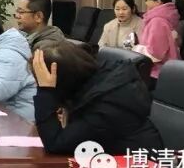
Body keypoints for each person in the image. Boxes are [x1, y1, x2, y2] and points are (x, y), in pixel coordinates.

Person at [31, 41, 163, 155]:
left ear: (61, 82)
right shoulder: (94, 81)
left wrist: (46, 91)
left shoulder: (106, 105)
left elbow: (55, 144)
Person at [136, 0, 183, 86]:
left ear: (158, 1)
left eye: (148, 0)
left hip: (157, 73)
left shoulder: (158, 21)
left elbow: (155, 55)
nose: (146, 3)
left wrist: (135, 48)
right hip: (165, 70)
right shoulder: (166, 17)